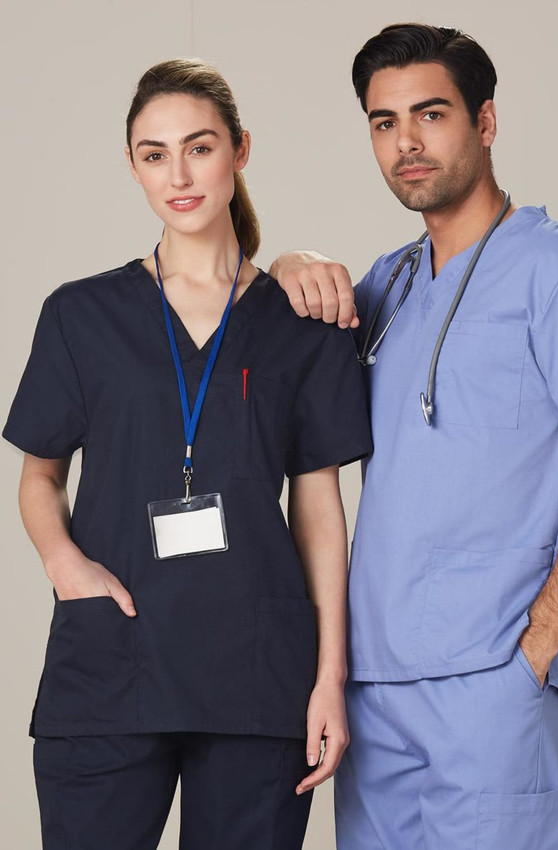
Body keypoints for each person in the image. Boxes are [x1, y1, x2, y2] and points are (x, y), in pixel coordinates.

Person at [271, 24, 558, 850]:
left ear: (484, 122)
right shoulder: (390, 282)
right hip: (371, 687)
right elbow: (288, 343)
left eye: (431, 115)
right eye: (383, 122)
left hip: (487, 681)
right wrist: (287, 262)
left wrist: (538, 650)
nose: (406, 143)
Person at [3, 58, 371, 850]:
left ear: (240, 150)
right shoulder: (80, 315)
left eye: (200, 148)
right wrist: (64, 562)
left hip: (258, 674)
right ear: (131, 165)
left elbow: (318, 511)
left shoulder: (302, 319)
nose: (179, 173)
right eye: (153, 153)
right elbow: (38, 473)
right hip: (112, 663)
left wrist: (329, 678)